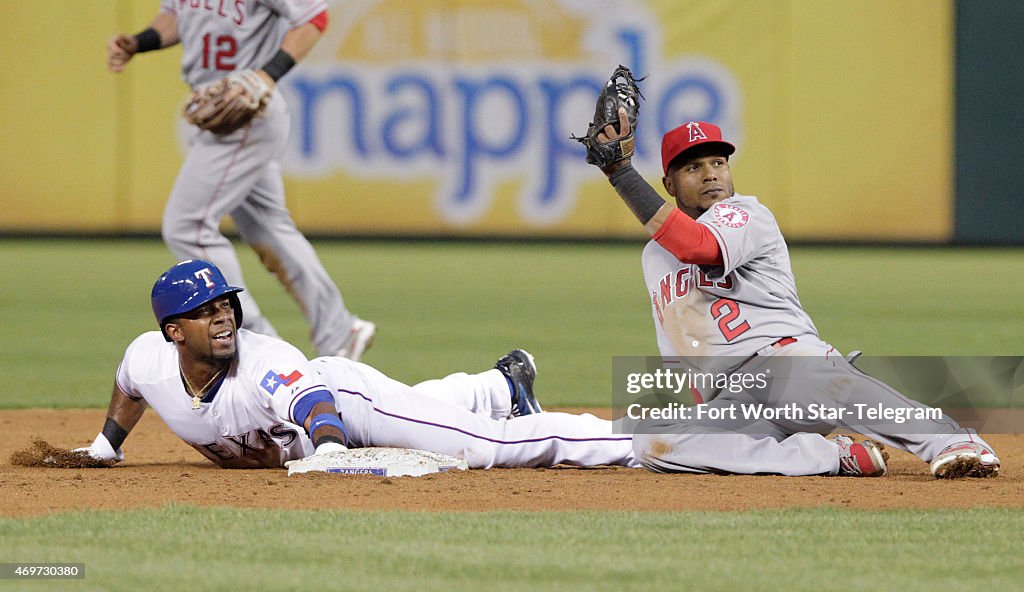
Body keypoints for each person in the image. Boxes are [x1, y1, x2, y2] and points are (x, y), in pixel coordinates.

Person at [587, 106, 1000, 479]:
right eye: (694, 167)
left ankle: (952, 442)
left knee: (809, 379)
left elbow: (696, 245)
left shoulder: (745, 214)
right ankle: (828, 457)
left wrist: (621, 175)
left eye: (719, 162)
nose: (712, 173)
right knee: (652, 442)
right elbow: (683, 345)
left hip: (786, 366)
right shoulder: (653, 257)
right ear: (669, 184)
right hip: (734, 400)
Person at [74, 260, 638, 470]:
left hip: (344, 404)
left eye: (225, 304)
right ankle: (497, 385)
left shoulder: (264, 360)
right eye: (203, 313)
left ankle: (651, 443)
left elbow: (314, 404)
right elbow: (130, 383)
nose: (222, 318)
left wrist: (332, 450)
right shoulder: (148, 357)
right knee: (422, 412)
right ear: (173, 332)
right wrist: (107, 445)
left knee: (489, 448)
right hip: (333, 416)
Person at [106, 0, 374, 360]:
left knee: (187, 225)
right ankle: (340, 330)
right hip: (219, 109)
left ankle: (256, 344)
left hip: (249, 110)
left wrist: (267, 74)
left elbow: (314, 17)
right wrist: (140, 41)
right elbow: (176, 15)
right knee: (269, 229)